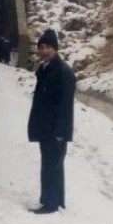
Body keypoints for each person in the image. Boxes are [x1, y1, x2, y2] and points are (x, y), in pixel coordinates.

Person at [27, 29, 76, 214]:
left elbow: (65, 106)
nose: (44, 50)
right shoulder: (45, 69)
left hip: (55, 130)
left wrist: (61, 132)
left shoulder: (63, 72)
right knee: (50, 164)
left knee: (52, 165)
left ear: (55, 49)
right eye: (41, 47)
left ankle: (51, 204)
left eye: (48, 47)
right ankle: (54, 200)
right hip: (46, 127)